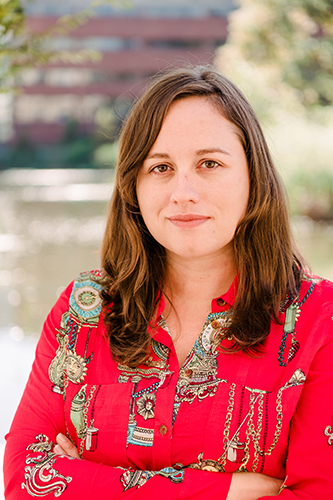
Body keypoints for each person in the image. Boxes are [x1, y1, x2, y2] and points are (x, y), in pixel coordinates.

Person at [3, 66, 333, 500]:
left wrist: (87, 481)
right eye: (159, 167)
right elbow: (25, 478)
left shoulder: (318, 319)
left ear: (253, 175)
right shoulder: (82, 311)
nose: (183, 191)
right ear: (133, 186)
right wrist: (226, 491)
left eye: (209, 163)